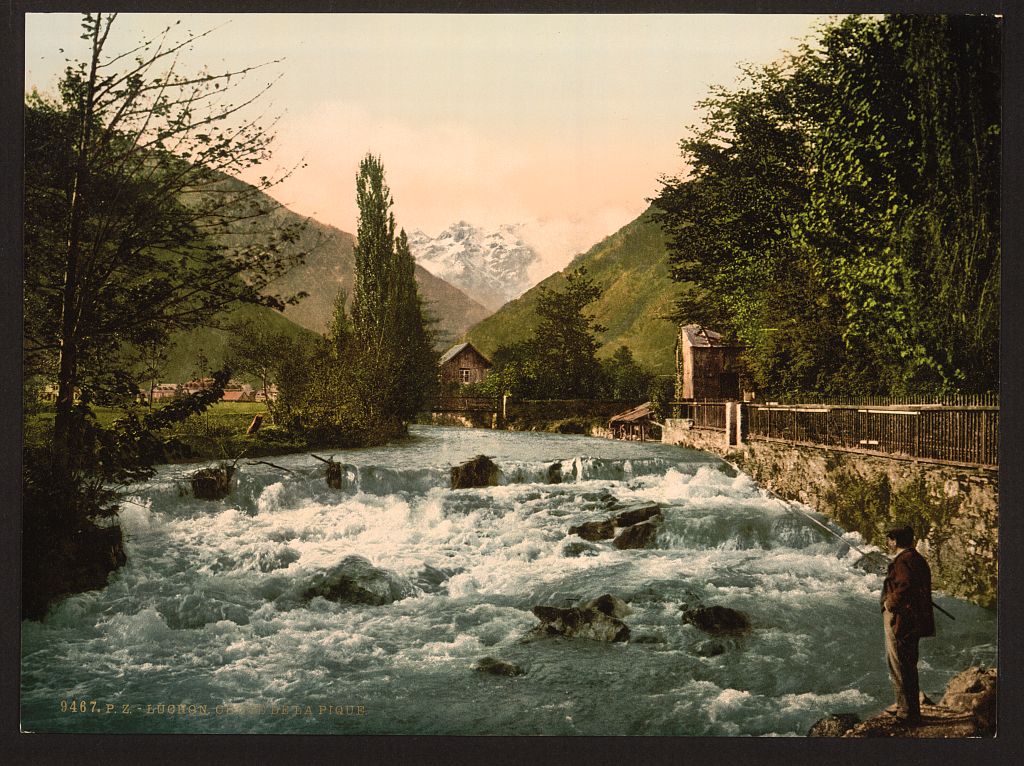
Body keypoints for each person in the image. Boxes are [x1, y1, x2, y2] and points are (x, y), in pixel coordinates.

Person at [880, 525, 935, 725]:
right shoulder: (917, 559)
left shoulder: (903, 561)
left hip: (900, 621)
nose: (887, 543)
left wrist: (889, 603)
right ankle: (911, 710)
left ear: (894, 541)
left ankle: (906, 713)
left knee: (899, 665)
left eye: (889, 539)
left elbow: (905, 585)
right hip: (914, 621)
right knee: (908, 665)